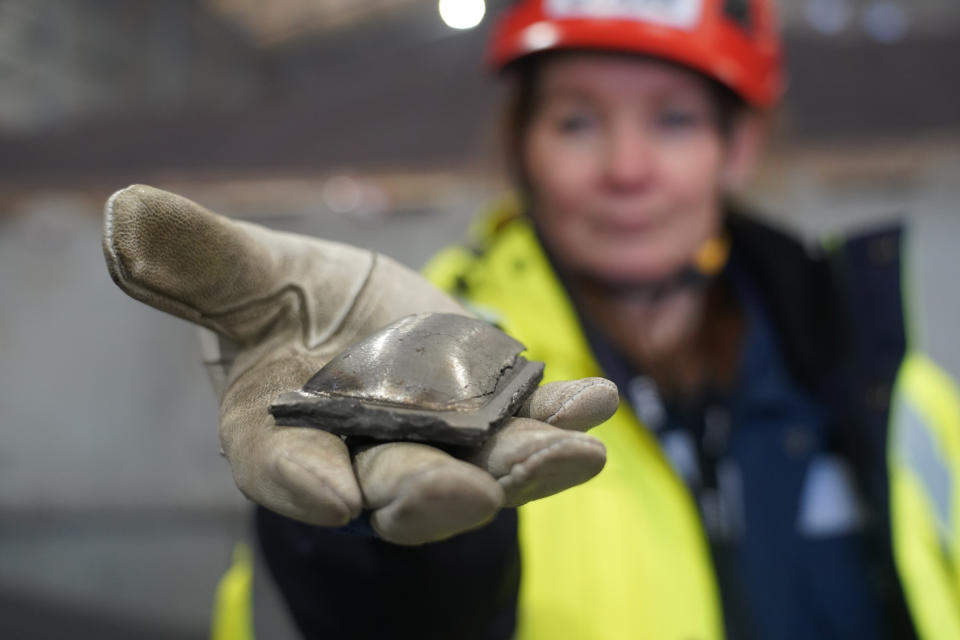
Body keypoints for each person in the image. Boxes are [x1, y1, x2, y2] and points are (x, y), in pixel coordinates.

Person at [102, 1, 960, 639]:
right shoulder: (419, 346)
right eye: (578, 121)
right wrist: (367, 553)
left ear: (734, 148)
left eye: (673, 120)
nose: (627, 169)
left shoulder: (887, 388)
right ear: (524, 149)